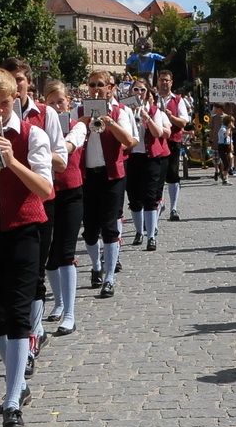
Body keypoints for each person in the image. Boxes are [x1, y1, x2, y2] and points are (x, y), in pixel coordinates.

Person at [0, 68, 54, 427]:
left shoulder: (31, 134)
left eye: (4, 103)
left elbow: (45, 190)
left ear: (14, 100)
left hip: (24, 229)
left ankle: (10, 401)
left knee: (20, 314)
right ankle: (17, 381)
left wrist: (12, 161)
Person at [8, 57, 67, 359]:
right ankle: (29, 331)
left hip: (40, 202)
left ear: (28, 82)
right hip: (4, 205)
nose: (14, 86)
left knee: (34, 274)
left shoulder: (45, 115)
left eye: (18, 79)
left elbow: (62, 160)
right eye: (8, 79)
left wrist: (36, 146)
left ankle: (31, 333)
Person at [79, 71, 138, 298]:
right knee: (91, 230)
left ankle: (110, 277)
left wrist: (110, 122)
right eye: (92, 84)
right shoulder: (79, 110)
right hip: (87, 176)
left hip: (112, 175)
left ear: (111, 88)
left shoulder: (120, 111)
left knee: (109, 227)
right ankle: (95, 266)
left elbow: (130, 141)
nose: (96, 88)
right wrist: (82, 124)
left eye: (100, 85)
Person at [41, 81, 87, 337]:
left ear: (69, 102)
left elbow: (70, 146)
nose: (57, 107)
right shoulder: (40, 127)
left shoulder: (77, 125)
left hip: (71, 191)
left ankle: (69, 312)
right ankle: (58, 302)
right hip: (47, 192)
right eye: (52, 103)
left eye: (61, 102)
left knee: (66, 251)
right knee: (49, 252)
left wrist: (48, 146)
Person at [125, 78, 170, 251]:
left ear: (148, 93)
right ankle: (139, 232)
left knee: (150, 197)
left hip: (150, 158)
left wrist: (147, 118)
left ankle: (151, 235)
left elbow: (158, 133)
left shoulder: (154, 110)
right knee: (134, 198)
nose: (139, 93)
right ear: (130, 92)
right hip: (131, 157)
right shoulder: (125, 111)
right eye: (136, 89)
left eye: (143, 90)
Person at [155, 70, 191, 218]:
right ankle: (158, 204)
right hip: (156, 141)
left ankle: (173, 208)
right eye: (162, 80)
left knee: (173, 174)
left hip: (172, 141)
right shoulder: (152, 98)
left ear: (171, 82)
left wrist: (171, 117)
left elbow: (184, 122)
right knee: (157, 175)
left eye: (167, 80)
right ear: (157, 82)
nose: (164, 83)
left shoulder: (178, 100)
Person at [214, 108, 234, 184]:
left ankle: (225, 176)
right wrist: (229, 128)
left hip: (227, 146)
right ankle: (224, 178)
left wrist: (231, 144)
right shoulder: (223, 129)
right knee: (226, 163)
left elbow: (229, 138)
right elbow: (225, 135)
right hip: (222, 147)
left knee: (228, 162)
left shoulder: (228, 129)